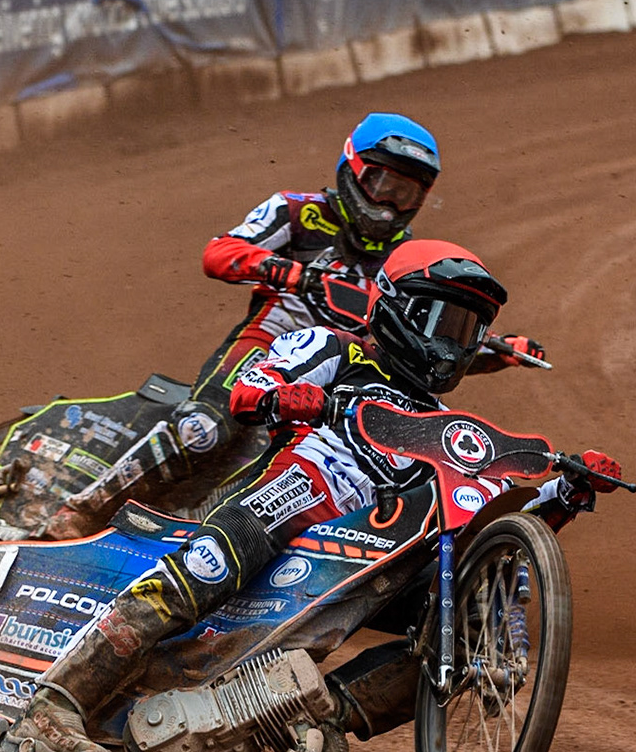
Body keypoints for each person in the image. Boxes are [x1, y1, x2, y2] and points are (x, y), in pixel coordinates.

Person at [10, 240, 618, 752]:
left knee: (452, 631)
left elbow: (484, 529)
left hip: (362, 550)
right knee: (208, 568)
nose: (453, 345)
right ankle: (55, 703)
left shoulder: (442, 422)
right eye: (441, 322)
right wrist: (286, 397)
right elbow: (249, 388)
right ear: (397, 308)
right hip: (289, 496)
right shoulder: (334, 348)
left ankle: (321, 726)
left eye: (467, 331)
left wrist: (564, 497)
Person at [42, 113, 543, 539]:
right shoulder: (299, 212)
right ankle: (82, 508)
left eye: (406, 193)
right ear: (353, 170)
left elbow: (418, 342)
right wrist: (285, 270)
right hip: (267, 345)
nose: (390, 203)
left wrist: (494, 353)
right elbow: (219, 252)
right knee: (205, 428)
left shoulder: (405, 258)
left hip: (344, 372)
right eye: (382, 184)